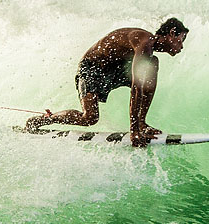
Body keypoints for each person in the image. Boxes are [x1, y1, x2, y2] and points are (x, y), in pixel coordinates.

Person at [26, 18, 189, 147]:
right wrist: (134, 131)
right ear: (172, 33)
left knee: (153, 63)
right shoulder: (145, 41)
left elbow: (142, 85)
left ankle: (142, 122)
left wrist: (139, 124)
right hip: (92, 68)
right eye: (181, 40)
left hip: (113, 70)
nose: (181, 46)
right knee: (89, 118)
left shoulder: (150, 52)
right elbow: (136, 87)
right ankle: (48, 118)